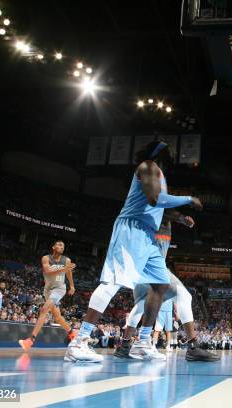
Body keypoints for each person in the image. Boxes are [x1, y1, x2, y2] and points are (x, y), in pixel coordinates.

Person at [65, 141, 202, 362]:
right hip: (131, 230)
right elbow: (155, 199)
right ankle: (78, 342)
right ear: (160, 154)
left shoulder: (160, 176)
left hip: (149, 236)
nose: (176, 157)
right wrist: (188, 199)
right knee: (112, 283)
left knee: (160, 285)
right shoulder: (147, 167)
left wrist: (179, 218)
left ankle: (143, 343)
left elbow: (160, 207)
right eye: (170, 153)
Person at [115, 207, 219, 362]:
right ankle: (192, 348)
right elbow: (164, 211)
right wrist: (182, 218)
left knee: (141, 304)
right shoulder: (152, 216)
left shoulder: (152, 220)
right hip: (152, 266)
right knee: (184, 296)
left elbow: (166, 213)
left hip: (139, 268)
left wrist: (180, 218)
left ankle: (124, 346)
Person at [19, 241, 76, 351]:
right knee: (58, 317)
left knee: (44, 309)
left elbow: (69, 273)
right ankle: (72, 334)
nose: (61, 247)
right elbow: (48, 271)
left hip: (59, 289)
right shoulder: (46, 258)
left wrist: (72, 286)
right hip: (47, 290)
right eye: (59, 245)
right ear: (53, 247)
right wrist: (65, 268)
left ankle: (30, 340)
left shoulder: (66, 260)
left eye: (63, 246)